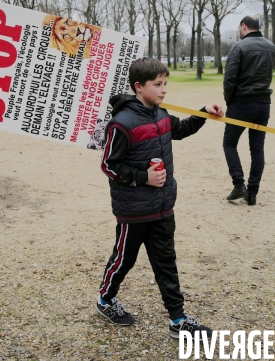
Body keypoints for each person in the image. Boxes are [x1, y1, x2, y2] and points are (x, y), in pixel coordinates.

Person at [97, 58, 224, 339]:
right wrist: (144, 178)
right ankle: (105, 299)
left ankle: (178, 320)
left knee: (166, 261)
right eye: (158, 84)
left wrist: (204, 112)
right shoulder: (121, 124)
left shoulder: (161, 114)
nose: (164, 89)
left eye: (165, 83)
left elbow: (181, 130)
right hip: (134, 211)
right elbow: (108, 165)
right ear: (139, 87)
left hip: (163, 206)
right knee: (123, 259)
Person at [222, 16, 275, 206]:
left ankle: (239, 185)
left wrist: (229, 100)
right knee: (257, 149)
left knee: (229, 144)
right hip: (264, 102)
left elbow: (229, 78)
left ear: (244, 27)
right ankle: (252, 193)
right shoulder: (271, 47)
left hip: (241, 103)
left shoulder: (239, 47)